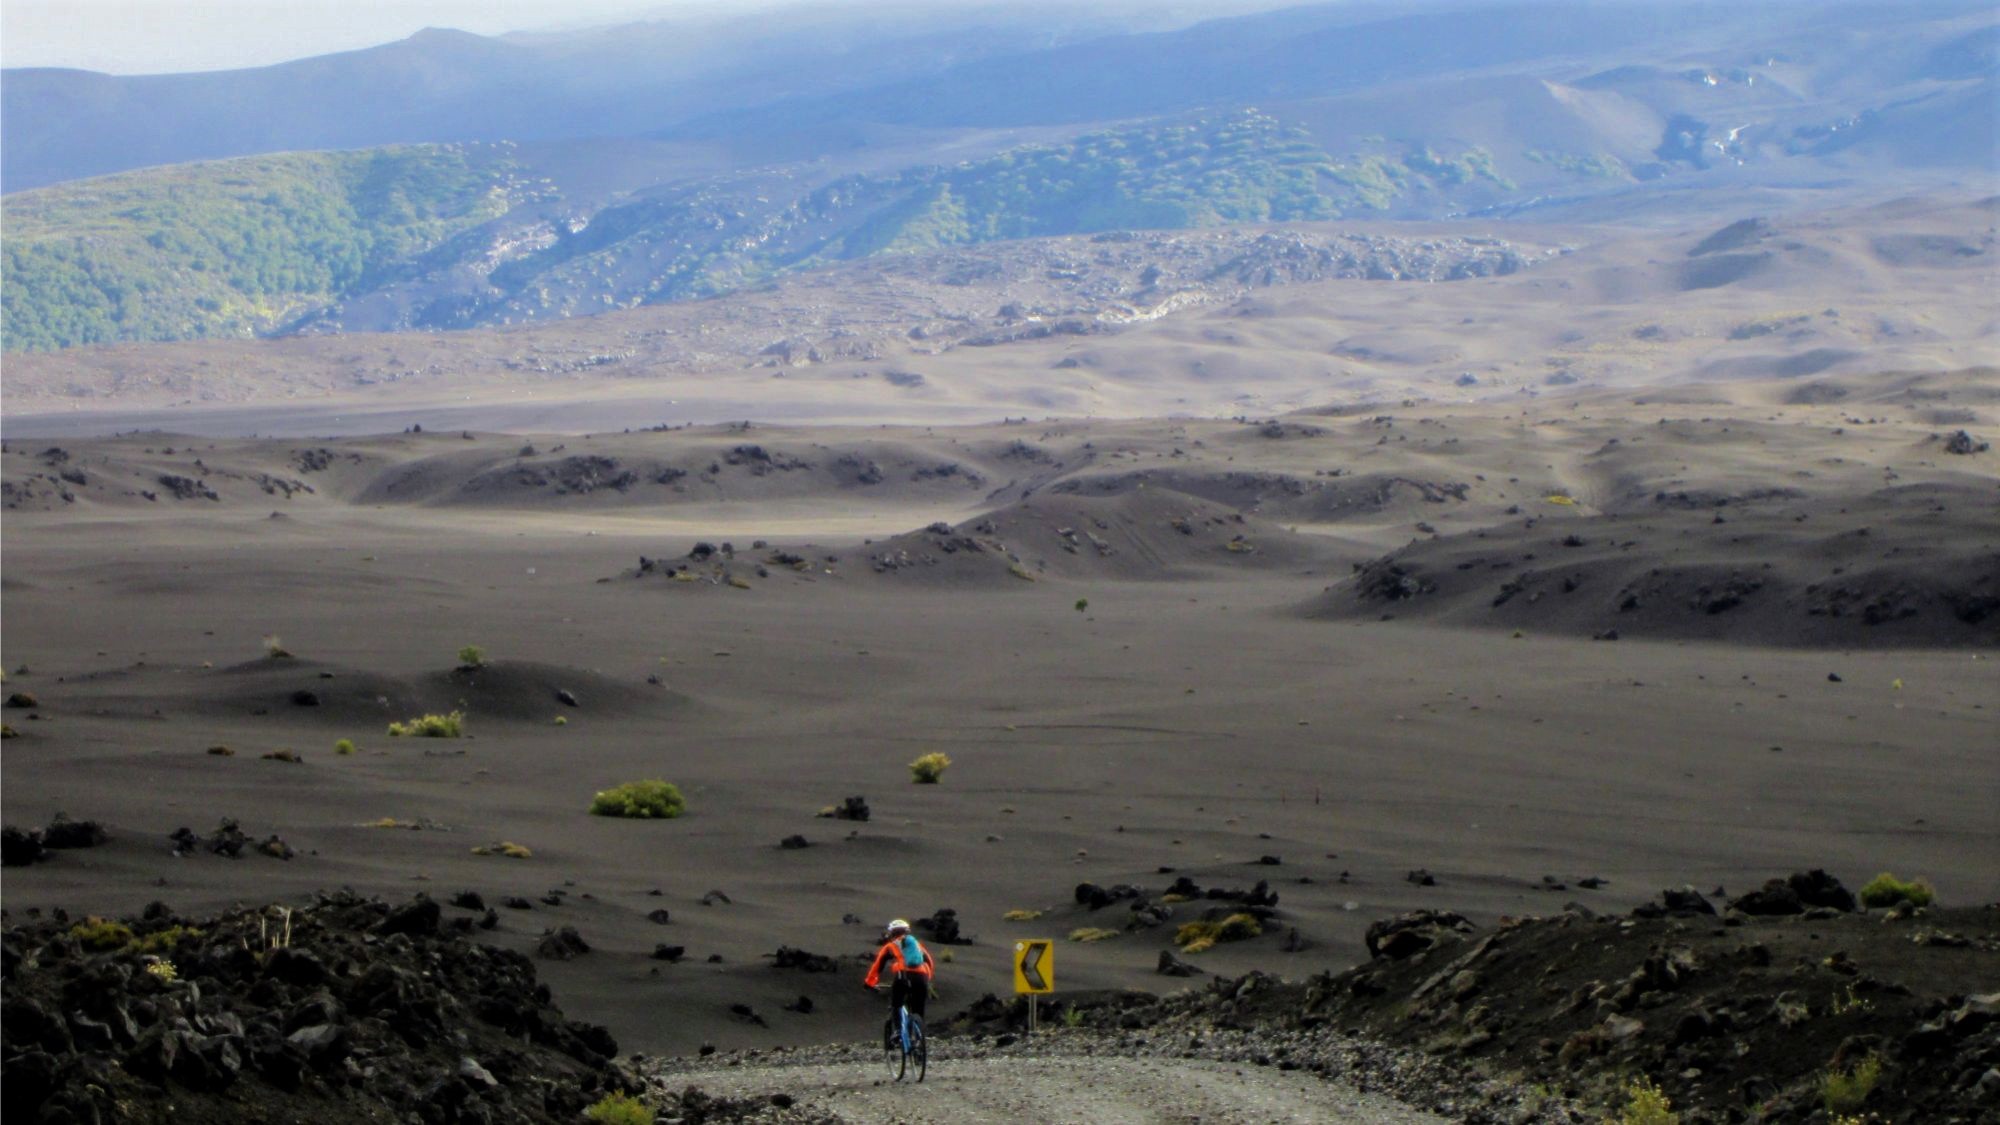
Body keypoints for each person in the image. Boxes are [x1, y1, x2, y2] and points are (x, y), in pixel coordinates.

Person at [863, 918, 936, 1028]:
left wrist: (869, 982)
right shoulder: (916, 945)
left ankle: (897, 1031)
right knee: (918, 1009)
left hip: (903, 975)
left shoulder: (890, 946)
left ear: (892, 933)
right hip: (922, 977)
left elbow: (878, 966)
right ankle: (918, 1037)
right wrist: (927, 978)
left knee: (896, 1004)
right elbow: (929, 961)